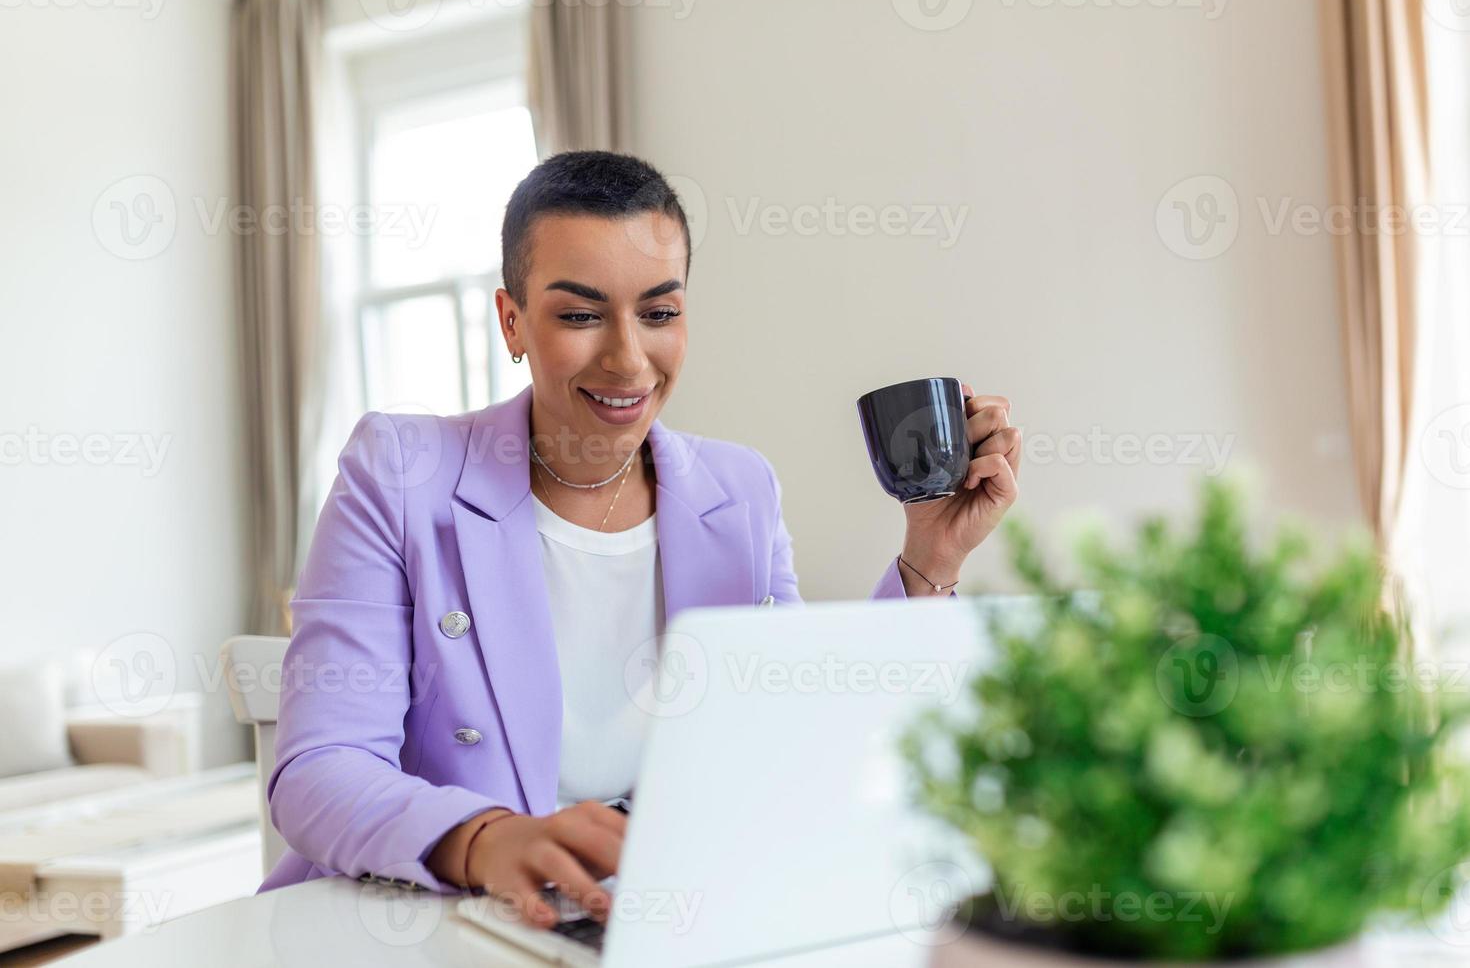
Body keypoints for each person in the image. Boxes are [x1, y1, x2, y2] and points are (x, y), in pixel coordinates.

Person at [256, 152, 1022, 929]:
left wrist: (933, 557)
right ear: (511, 320)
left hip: (644, 922)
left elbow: (799, 748)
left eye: (659, 313)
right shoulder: (402, 472)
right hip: (424, 921)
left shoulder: (739, 491)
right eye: (581, 315)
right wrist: (488, 840)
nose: (627, 358)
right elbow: (319, 770)